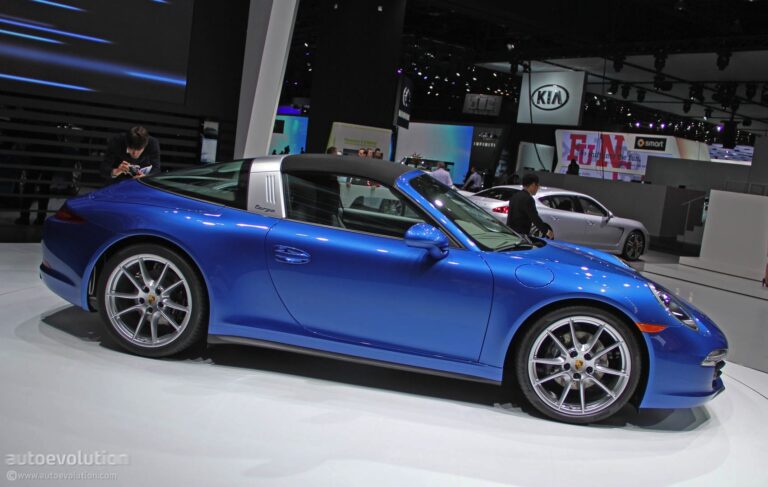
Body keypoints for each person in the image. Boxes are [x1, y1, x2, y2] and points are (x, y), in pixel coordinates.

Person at [507, 173, 554, 239]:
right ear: (533, 185)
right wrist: (546, 231)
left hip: (510, 232)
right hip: (521, 234)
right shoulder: (528, 199)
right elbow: (535, 218)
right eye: (538, 185)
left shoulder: (515, 196)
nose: (538, 188)